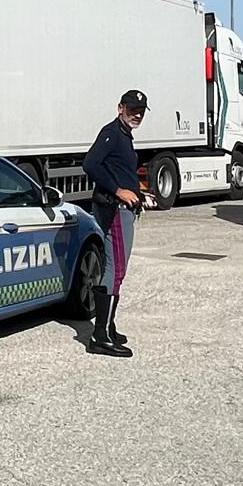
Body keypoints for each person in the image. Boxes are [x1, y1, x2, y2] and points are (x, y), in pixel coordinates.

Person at [82, 89, 156, 357]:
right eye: (132, 109)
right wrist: (118, 191)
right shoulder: (112, 133)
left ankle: (108, 327)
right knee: (114, 270)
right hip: (114, 209)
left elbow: (119, 170)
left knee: (118, 270)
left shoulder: (124, 135)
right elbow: (90, 164)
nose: (137, 114)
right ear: (120, 108)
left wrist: (137, 193)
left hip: (124, 206)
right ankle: (99, 336)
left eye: (141, 110)